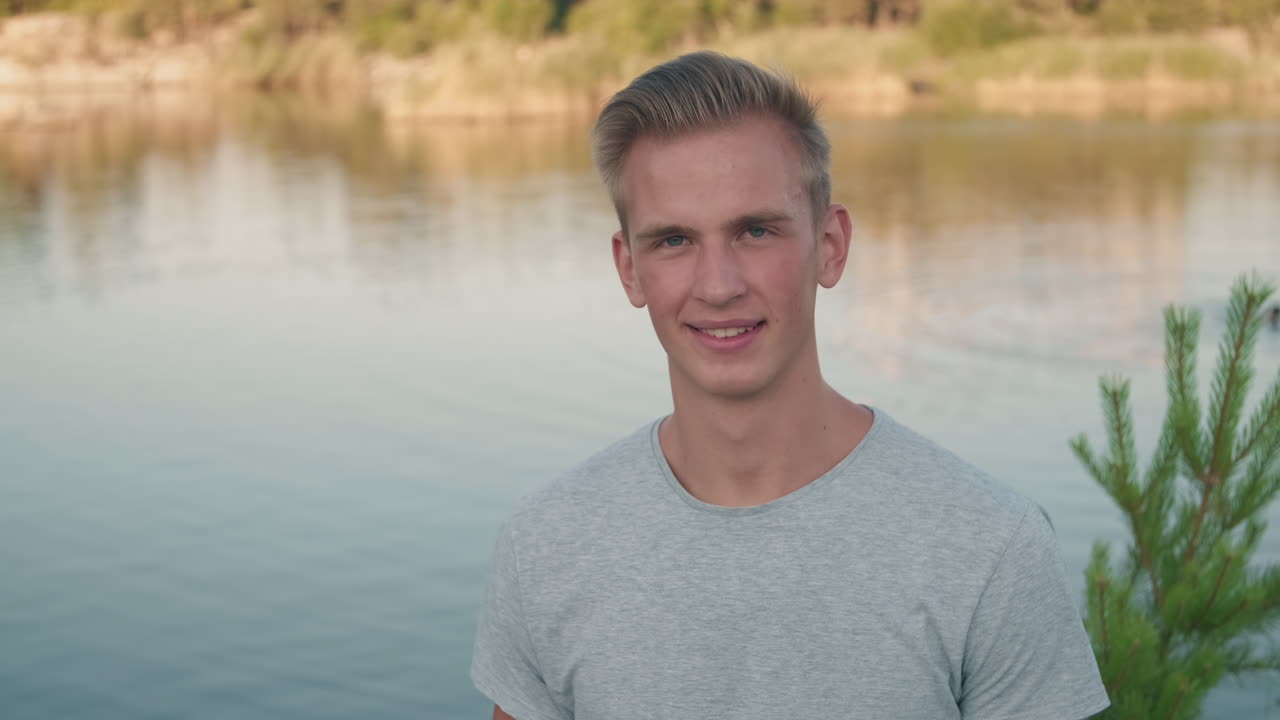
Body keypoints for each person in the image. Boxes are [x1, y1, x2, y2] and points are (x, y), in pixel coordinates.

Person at [471, 51, 1110, 720]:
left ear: (830, 245)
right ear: (629, 268)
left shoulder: (989, 548)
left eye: (755, 231)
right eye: (674, 241)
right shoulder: (546, 547)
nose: (718, 286)